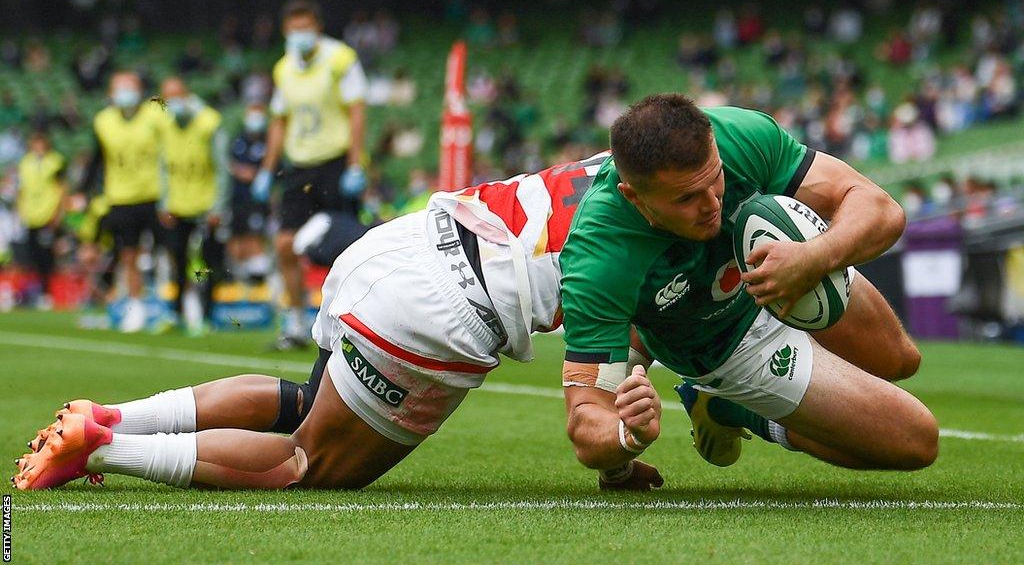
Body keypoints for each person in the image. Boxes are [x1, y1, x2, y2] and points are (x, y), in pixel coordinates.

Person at [14, 153, 660, 492]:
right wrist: (618, 464)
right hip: (444, 309)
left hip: (403, 242)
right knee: (308, 461)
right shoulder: (674, 228)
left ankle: (109, 415)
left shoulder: (642, 156)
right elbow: (624, 360)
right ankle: (102, 448)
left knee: (302, 406)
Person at [559, 94, 937, 485]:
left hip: (790, 266)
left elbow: (881, 208)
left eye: (715, 178)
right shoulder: (597, 258)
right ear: (633, 197)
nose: (711, 205)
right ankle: (729, 407)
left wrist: (812, 257)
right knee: (917, 440)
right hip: (722, 342)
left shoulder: (739, 136)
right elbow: (586, 420)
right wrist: (627, 436)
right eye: (686, 197)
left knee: (900, 361)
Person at [252, 0, 368, 350]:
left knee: (348, 248)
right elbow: (279, 120)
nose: (299, 34)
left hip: (334, 164)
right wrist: (266, 169)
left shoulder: (340, 60)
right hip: (298, 166)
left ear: (317, 28)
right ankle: (296, 324)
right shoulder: (283, 68)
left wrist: (354, 164)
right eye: (293, 29)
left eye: (305, 28)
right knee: (284, 243)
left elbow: (356, 112)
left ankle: (356, 324)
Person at [80, 71, 165, 332]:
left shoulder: (156, 116)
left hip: (156, 195)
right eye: (119, 88)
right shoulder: (103, 121)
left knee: (166, 252)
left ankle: (170, 306)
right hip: (121, 197)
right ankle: (136, 307)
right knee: (128, 255)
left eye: (130, 87)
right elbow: (97, 158)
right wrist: (84, 190)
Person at [154, 77, 229, 333]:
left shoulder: (209, 122)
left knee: (207, 265)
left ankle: (206, 316)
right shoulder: (164, 123)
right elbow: (164, 166)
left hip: (205, 207)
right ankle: (175, 314)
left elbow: (221, 168)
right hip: (176, 206)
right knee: (177, 261)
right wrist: (164, 202)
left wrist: (218, 207)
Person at [16, 129, 65, 308]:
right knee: (32, 257)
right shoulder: (25, 163)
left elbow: (62, 188)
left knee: (47, 258)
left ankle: (47, 293)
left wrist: (57, 214)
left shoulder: (55, 161)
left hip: (48, 217)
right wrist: (20, 211)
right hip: (31, 217)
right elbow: (21, 191)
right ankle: (34, 292)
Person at [226, 103, 272, 284]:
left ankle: (257, 276)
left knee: (255, 234)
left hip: (258, 200)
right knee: (236, 234)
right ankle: (236, 274)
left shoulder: (268, 142)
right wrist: (240, 172)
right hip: (237, 198)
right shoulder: (238, 141)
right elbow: (229, 164)